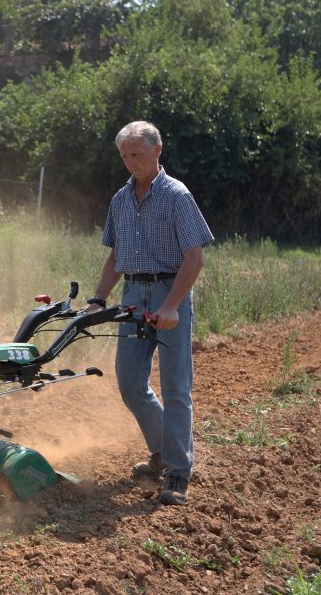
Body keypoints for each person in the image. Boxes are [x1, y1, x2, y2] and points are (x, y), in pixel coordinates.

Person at [89, 121, 213, 506]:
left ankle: (177, 472)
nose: (130, 163)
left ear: (157, 150)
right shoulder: (120, 200)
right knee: (130, 383)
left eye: (137, 154)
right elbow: (115, 256)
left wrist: (172, 305)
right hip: (132, 296)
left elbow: (195, 257)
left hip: (168, 289)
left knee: (177, 387)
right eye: (125, 156)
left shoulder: (177, 196)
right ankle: (162, 451)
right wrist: (97, 297)